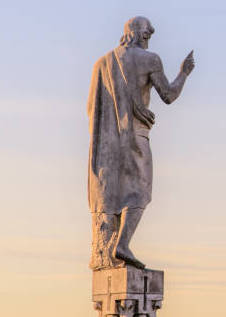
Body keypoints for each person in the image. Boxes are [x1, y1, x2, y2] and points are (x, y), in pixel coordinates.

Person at [87, 16, 195, 269]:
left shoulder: (101, 63)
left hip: (107, 140)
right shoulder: (150, 60)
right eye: (148, 34)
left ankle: (109, 248)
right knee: (140, 191)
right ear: (142, 34)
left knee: (113, 193)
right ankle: (121, 244)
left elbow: (91, 106)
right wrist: (184, 73)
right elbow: (168, 95)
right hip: (135, 134)